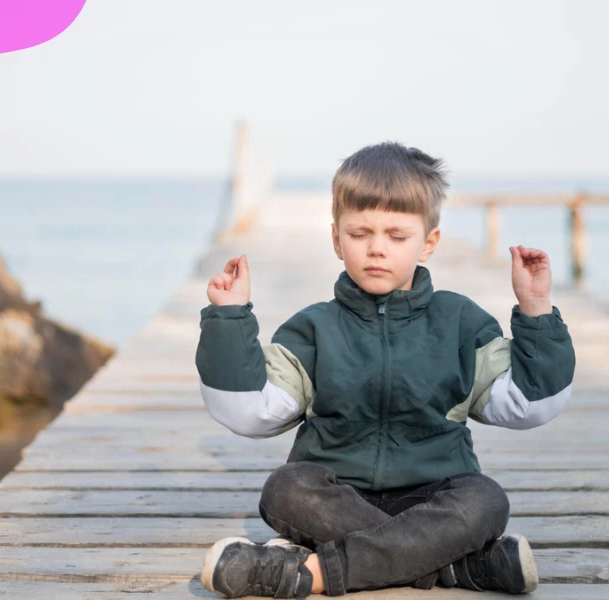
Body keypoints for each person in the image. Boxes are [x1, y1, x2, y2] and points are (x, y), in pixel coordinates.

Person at [195, 141, 576, 598]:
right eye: (360, 234)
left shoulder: (461, 323)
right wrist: (230, 318)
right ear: (337, 239)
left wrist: (536, 312)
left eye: (397, 237)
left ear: (427, 242)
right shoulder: (312, 328)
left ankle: (309, 575)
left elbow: (530, 404)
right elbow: (247, 411)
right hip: (336, 498)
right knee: (284, 489)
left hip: (435, 497)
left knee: (486, 500)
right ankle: (455, 567)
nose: (377, 249)